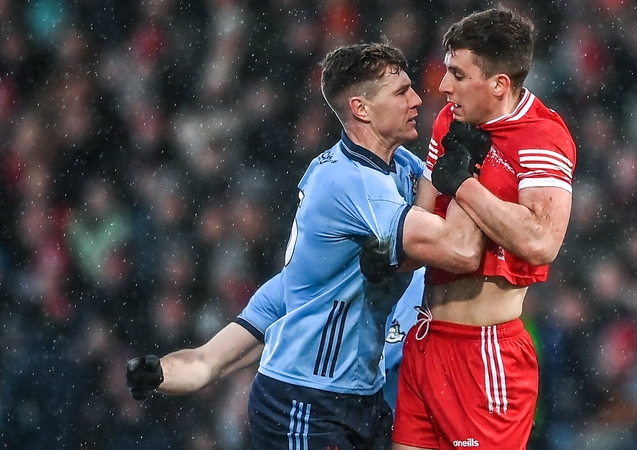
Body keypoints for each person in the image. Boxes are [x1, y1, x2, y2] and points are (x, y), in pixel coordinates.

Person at [126, 42, 483, 450]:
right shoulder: (350, 182)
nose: (417, 99)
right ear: (361, 109)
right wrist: (464, 181)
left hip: (361, 396)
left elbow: (209, 361)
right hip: (304, 403)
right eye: (401, 92)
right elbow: (458, 248)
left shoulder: (399, 168)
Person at [389, 8, 577, 450]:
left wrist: (466, 187)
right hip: (425, 338)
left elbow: (541, 241)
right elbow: (428, 220)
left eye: (457, 73)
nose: (443, 85)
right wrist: (393, 251)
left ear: (499, 84)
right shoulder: (449, 123)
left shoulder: (543, 137)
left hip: (486, 353)